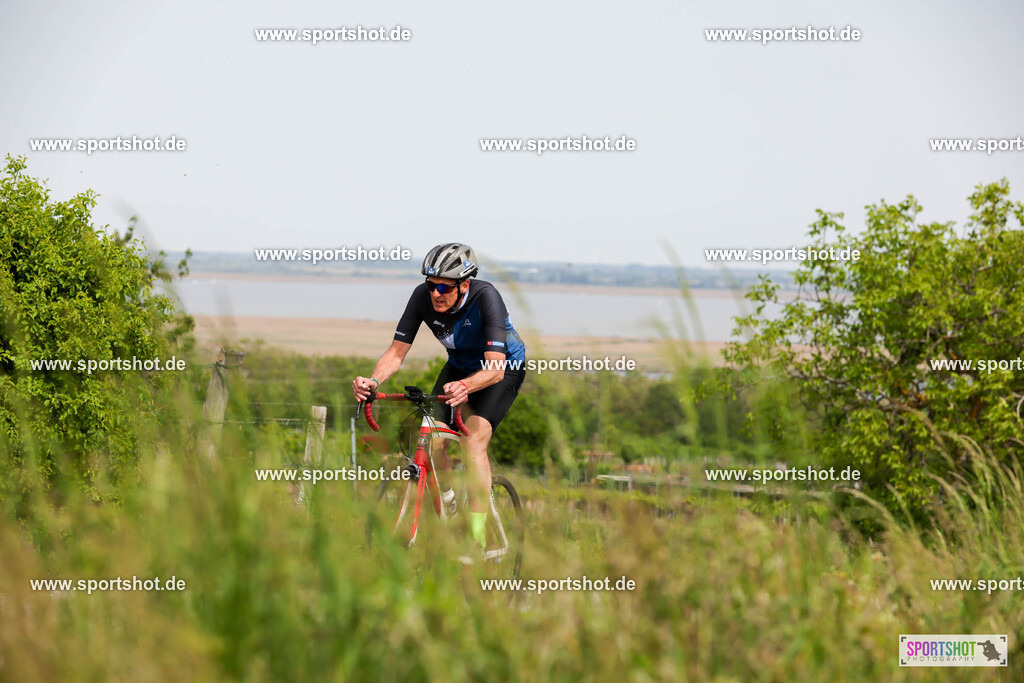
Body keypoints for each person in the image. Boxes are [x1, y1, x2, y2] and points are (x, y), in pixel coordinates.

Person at [352, 243, 526, 549]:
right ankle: (450, 504)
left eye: (445, 287)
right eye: (431, 285)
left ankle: (476, 535)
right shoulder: (423, 297)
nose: (436, 294)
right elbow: (396, 352)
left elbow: (496, 370)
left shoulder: (486, 298)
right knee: (431, 441)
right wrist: (373, 380)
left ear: (464, 285)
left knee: (473, 440)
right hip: (458, 368)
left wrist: (467, 386)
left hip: (500, 369)